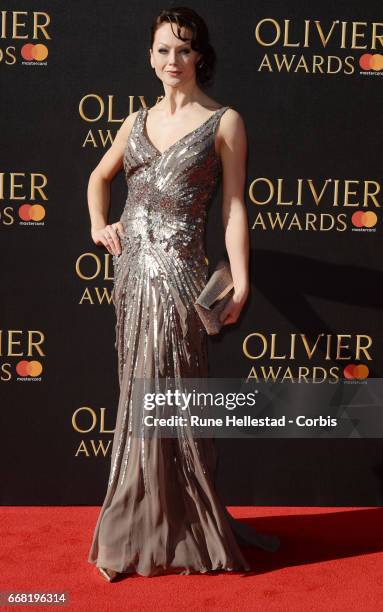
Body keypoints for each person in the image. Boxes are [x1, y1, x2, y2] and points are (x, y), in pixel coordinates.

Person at [86, 6, 280, 581]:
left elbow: (235, 206)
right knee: (134, 398)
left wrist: (241, 278)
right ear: (150, 57)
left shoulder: (224, 122)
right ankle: (136, 528)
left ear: (201, 56)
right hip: (132, 278)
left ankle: (179, 527)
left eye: (184, 48)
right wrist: (100, 225)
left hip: (180, 280)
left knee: (172, 399)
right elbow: (99, 178)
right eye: (163, 50)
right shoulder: (132, 121)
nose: (173, 60)